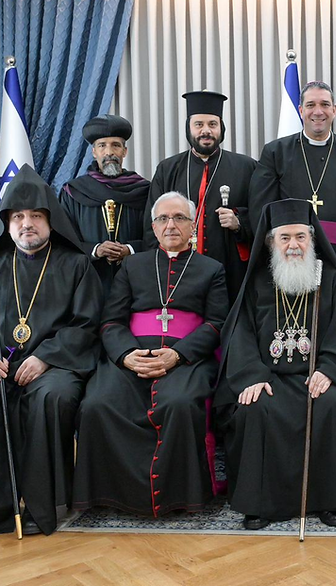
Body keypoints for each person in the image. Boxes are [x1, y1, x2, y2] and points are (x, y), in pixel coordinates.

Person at [0, 166, 101, 536]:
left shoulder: (75, 264)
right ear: (8, 223)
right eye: (19, 217)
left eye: (36, 216)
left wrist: (46, 357)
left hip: (54, 365)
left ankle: (42, 505)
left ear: (50, 220)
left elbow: (87, 324)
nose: (28, 223)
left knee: (51, 399)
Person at [73, 192, 228, 517]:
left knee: (180, 403)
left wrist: (177, 355)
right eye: (163, 219)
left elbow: (217, 323)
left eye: (179, 218)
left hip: (188, 358)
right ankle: (110, 495)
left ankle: (180, 497)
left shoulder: (211, 269)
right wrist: (127, 355)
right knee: (98, 403)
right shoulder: (132, 264)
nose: (171, 225)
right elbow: (111, 320)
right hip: (132, 353)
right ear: (153, 226)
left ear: (193, 224)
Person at [214, 199, 336, 530]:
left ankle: (329, 501)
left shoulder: (331, 281)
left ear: (312, 239)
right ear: (270, 242)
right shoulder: (255, 283)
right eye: (285, 238)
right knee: (254, 409)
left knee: (334, 406)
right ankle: (259, 504)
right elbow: (238, 334)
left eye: (300, 237)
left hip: (316, 376)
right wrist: (252, 375)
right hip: (267, 378)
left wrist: (329, 370)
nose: (293, 245)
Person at [249, 81, 336, 306]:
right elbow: (262, 211)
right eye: (311, 105)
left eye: (325, 104)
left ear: (334, 110)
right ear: (300, 110)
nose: (318, 111)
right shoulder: (275, 152)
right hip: (292, 255)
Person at [144, 90, 256, 303]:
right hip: (177, 270)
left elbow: (262, 217)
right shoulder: (168, 169)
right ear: (189, 128)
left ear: (221, 128)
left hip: (230, 272)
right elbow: (151, 227)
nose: (206, 131)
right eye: (199, 125)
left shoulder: (247, 167)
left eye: (212, 125)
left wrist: (239, 222)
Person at [60, 113, 150, 295]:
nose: (109, 152)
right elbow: (64, 240)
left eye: (116, 145)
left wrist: (130, 249)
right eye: (102, 145)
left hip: (135, 283)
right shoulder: (74, 191)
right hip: (88, 284)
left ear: (124, 151)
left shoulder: (145, 190)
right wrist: (95, 250)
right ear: (94, 152)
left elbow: (156, 236)